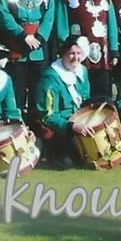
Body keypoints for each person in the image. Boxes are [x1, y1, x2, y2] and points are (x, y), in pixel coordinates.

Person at [0, 0, 56, 117]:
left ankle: (39, 126)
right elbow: (4, 14)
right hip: (18, 44)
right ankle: (19, 126)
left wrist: (39, 36)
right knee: (18, 88)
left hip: (39, 45)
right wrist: (24, 36)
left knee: (40, 88)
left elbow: (50, 13)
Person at [55, 0, 119, 99]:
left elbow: (112, 23)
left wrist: (114, 50)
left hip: (103, 54)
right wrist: (67, 50)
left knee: (104, 95)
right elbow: (61, 26)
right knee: (82, 94)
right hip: (78, 54)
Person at [35, 36, 93, 169]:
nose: (75, 58)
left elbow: (85, 99)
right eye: (71, 53)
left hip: (80, 120)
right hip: (61, 128)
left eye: (78, 54)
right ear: (63, 55)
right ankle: (48, 151)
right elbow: (48, 115)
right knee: (66, 164)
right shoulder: (51, 77)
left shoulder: (82, 71)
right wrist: (71, 126)